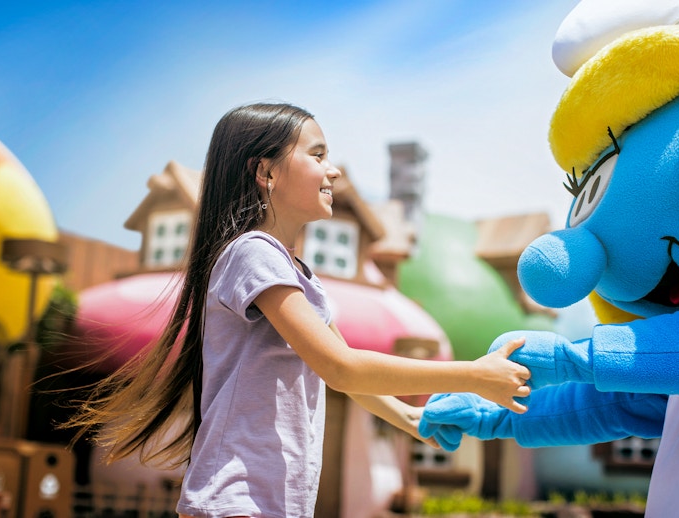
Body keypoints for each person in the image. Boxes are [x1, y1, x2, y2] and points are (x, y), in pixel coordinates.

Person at [65, 102, 531, 518]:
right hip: (237, 501)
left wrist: (407, 419)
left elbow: (340, 368)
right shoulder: (252, 252)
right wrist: (472, 375)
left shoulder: (295, 271)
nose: (334, 173)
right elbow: (342, 368)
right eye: (318, 154)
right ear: (265, 172)